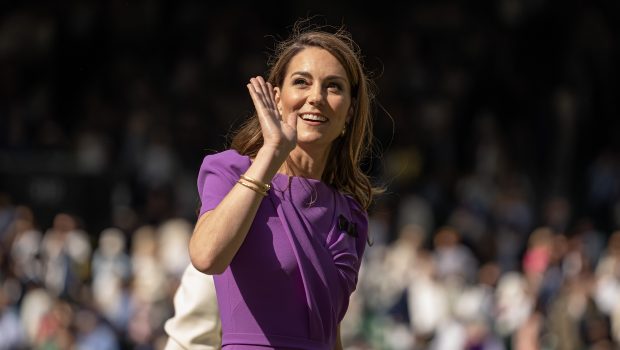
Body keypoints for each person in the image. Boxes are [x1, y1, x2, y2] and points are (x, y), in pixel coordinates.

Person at [171, 21, 380, 349]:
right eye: (302, 82)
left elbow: (329, 331)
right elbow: (206, 257)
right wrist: (271, 152)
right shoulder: (228, 170)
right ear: (277, 97)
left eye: (334, 87)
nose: (316, 97)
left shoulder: (351, 213)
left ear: (350, 111)